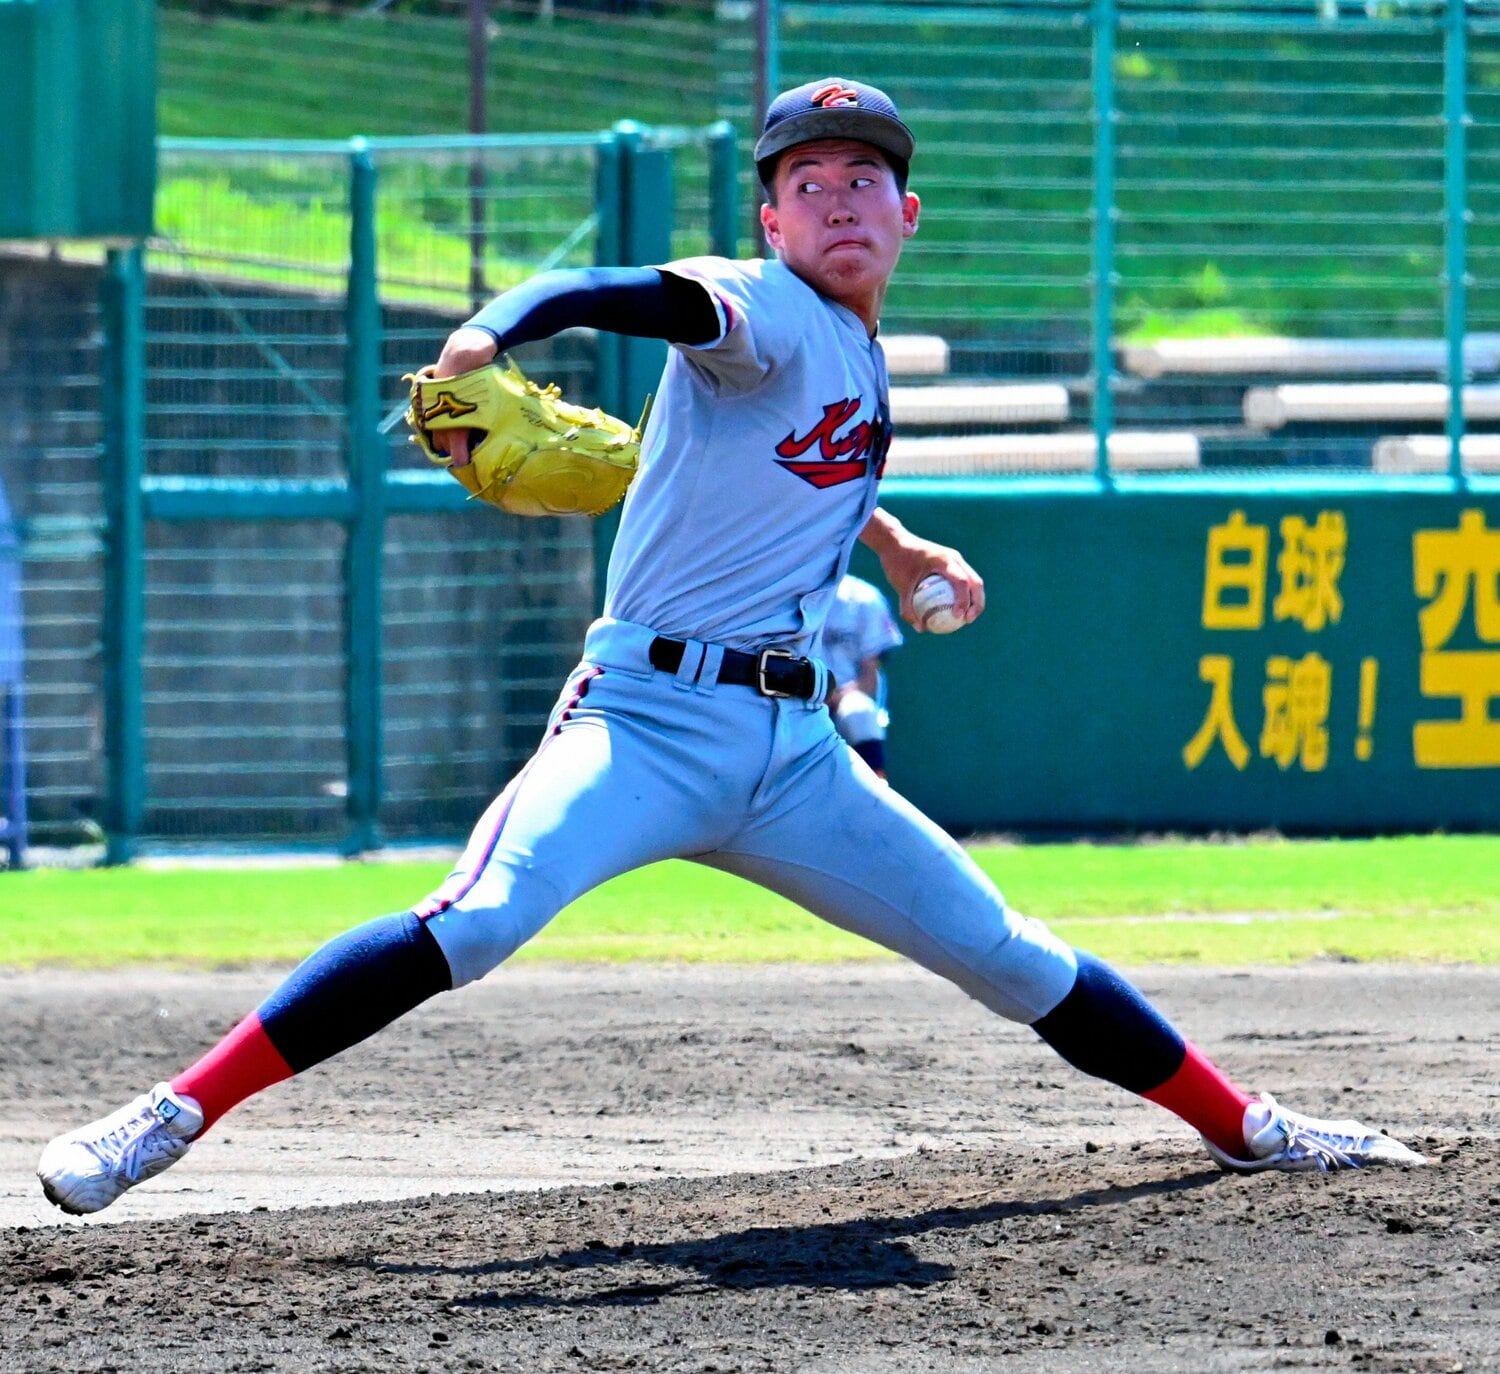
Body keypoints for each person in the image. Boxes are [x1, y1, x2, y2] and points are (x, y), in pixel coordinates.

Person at [38, 78, 1422, 1216]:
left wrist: (901, 548)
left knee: (1009, 953)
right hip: (640, 723)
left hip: (793, 750)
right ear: (769, 216)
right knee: (475, 923)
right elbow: (615, 290)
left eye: (862, 177)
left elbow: (809, 471)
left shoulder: (860, 355)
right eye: (806, 181)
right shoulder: (754, 306)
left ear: (907, 213)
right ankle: (172, 1111)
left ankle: (1248, 1121)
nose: (836, 198)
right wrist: (487, 330)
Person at [820, 572, 902, 777]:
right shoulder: (782, 595)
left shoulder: (863, 598)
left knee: (859, 711)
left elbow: (870, 675)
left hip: (843, 696)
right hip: (789, 693)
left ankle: (876, 792)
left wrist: (834, 696)